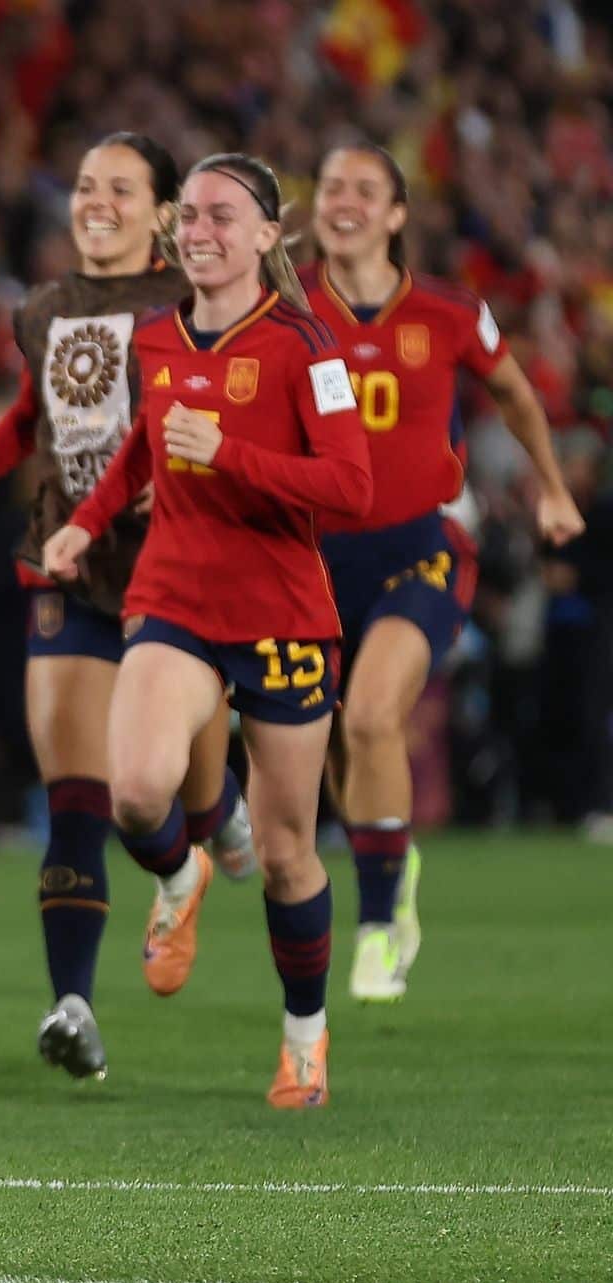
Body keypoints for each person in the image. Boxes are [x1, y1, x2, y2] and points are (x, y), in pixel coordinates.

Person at [0, 133, 257, 1080]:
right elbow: (31, 420)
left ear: (164, 212)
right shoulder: (46, 309)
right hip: (65, 570)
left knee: (170, 785)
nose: (94, 201)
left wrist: (180, 469)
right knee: (75, 797)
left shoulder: (190, 310)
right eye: (85, 185)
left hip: (174, 573)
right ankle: (72, 1005)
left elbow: (234, 409)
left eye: (120, 188)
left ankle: (211, 821)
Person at [42, 153, 373, 1109]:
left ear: (269, 236)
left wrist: (232, 455)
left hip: (283, 616)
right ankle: (180, 873)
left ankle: (303, 1039)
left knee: (283, 854)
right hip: (177, 600)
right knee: (138, 793)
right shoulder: (156, 337)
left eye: (223, 216)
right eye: (188, 215)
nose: (199, 230)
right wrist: (87, 521)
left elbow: (349, 487)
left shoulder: (307, 348)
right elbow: (147, 443)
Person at [301, 144, 586, 1003]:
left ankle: (382, 922)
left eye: (365, 189)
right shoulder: (282, 309)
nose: (343, 200)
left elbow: (515, 393)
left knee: (375, 716)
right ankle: (392, 860)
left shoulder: (450, 311)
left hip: (416, 548)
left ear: (395, 215)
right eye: (332, 187)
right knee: (336, 740)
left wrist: (553, 489)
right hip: (308, 559)